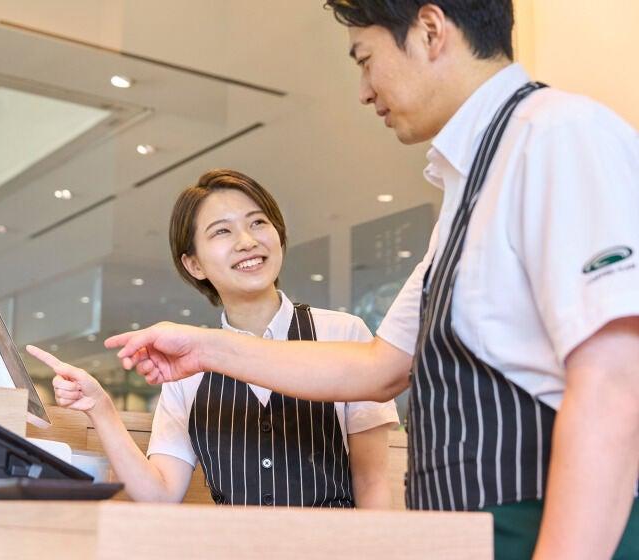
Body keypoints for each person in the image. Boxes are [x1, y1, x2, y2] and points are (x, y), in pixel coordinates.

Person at [105, 2, 639, 558]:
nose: (363, 89)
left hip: (546, 530)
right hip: (470, 533)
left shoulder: (559, 135)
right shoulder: (468, 191)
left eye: (365, 59)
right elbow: (379, 366)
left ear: (430, 31)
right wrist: (205, 346)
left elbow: (615, 384)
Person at [29, 168, 398, 507]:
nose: (247, 241)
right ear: (194, 264)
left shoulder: (342, 334)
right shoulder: (185, 367)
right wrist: (101, 409)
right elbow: (158, 494)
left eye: (258, 223)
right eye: (222, 231)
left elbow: (372, 482)